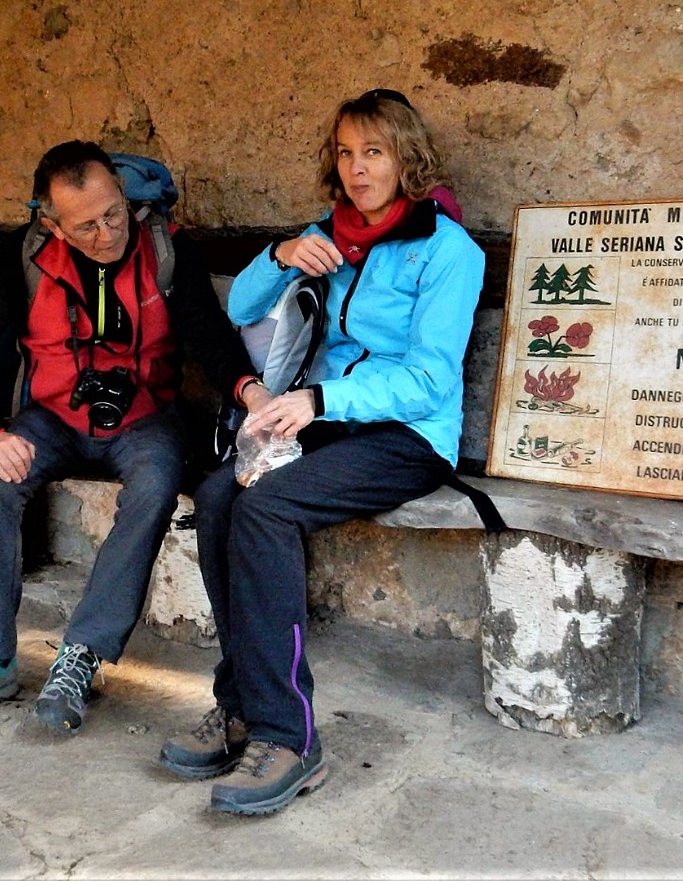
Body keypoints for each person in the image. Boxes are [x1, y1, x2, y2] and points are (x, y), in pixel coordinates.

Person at [158, 89, 484, 815]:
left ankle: (289, 735)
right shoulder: (332, 235)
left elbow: (431, 376)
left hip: (407, 435)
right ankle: (241, 703)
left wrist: (321, 402)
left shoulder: (446, 250)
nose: (359, 168)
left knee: (266, 507)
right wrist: (279, 256)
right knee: (218, 495)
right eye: (346, 153)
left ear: (408, 158)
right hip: (331, 420)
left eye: (375, 152)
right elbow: (242, 306)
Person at [0, 140, 268, 734]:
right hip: (52, 416)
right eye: (86, 226)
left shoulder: (164, 247)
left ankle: (82, 653)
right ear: (52, 225)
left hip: (144, 418)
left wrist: (249, 390)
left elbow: (207, 335)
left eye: (115, 213)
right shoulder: (22, 258)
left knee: (158, 481)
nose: (108, 233)